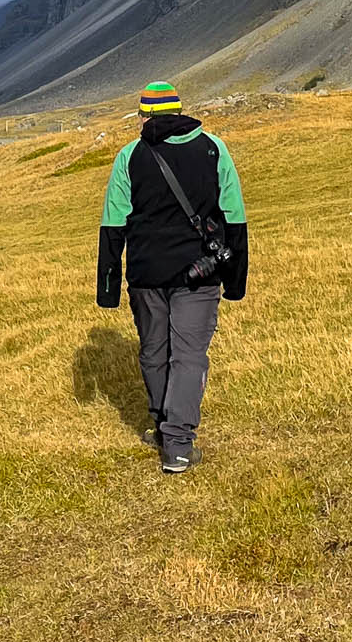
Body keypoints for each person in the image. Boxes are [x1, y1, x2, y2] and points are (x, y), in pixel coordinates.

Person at [95, 79, 248, 473]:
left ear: (144, 114)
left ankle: (166, 430)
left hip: (146, 274)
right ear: (180, 110)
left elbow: (113, 225)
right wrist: (235, 281)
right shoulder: (215, 149)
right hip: (200, 274)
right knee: (189, 354)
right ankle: (178, 442)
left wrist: (108, 289)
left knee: (153, 351)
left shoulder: (129, 156)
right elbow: (234, 217)